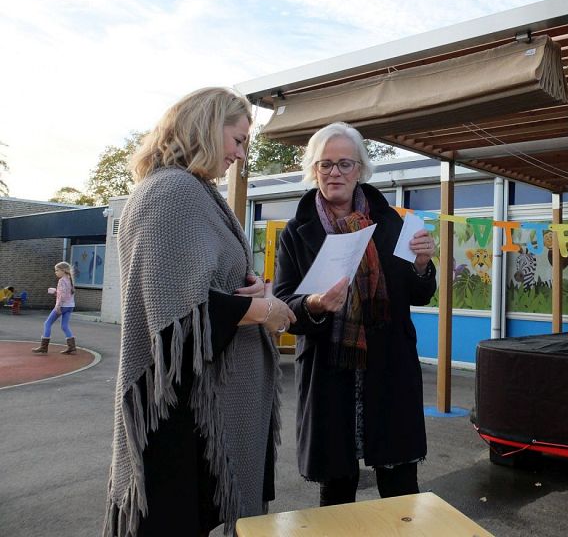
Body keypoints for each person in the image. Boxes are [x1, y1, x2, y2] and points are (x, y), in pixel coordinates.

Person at [103, 87, 296, 537]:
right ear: (207, 128)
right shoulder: (171, 192)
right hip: (180, 410)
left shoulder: (191, 191)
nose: (241, 154)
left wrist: (246, 291)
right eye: (239, 139)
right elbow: (177, 317)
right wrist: (264, 309)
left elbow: (199, 286)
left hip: (197, 405)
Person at [273, 121, 437, 506]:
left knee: (399, 490)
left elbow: (419, 295)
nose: (335, 173)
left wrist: (422, 265)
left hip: (388, 371)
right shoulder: (296, 233)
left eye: (345, 164)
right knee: (337, 492)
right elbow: (283, 306)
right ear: (313, 171)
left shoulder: (392, 223)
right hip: (332, 373)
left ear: (361, 169)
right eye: (325, 164)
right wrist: (313, 305)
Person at [32, 263, 76, 354]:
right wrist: (56, 292)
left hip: (62, 306)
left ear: (63, 270)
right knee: (64, 326)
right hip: (70, 306)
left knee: (47, 323)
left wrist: (58, 306)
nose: (55, 272)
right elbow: (66, 294)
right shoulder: (69, 279)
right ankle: (72, 347)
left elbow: (62, 296)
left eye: (57, 270)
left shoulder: (61, 281)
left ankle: (44, 347)